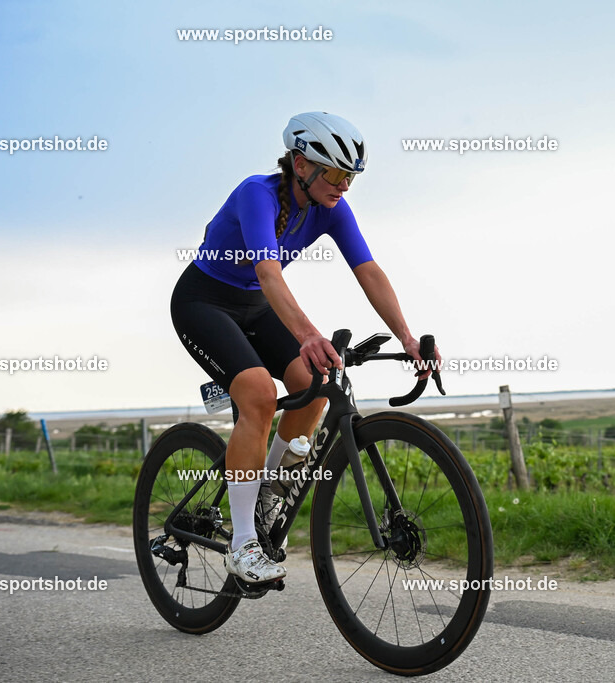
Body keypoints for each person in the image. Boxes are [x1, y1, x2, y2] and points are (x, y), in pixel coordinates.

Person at [170, 111, 438, 584]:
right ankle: (242, 544)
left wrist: (407, 337)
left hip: (257, 307)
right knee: (259, 394)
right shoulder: (257, 194)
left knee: (315, 385)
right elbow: (268, 272)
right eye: (334, 174)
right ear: (300, 164)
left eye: (350, 177)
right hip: (203, 303)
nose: (343, 186)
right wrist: (309, 335)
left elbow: (369, 271)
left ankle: (267, 495)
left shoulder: (332, 209)